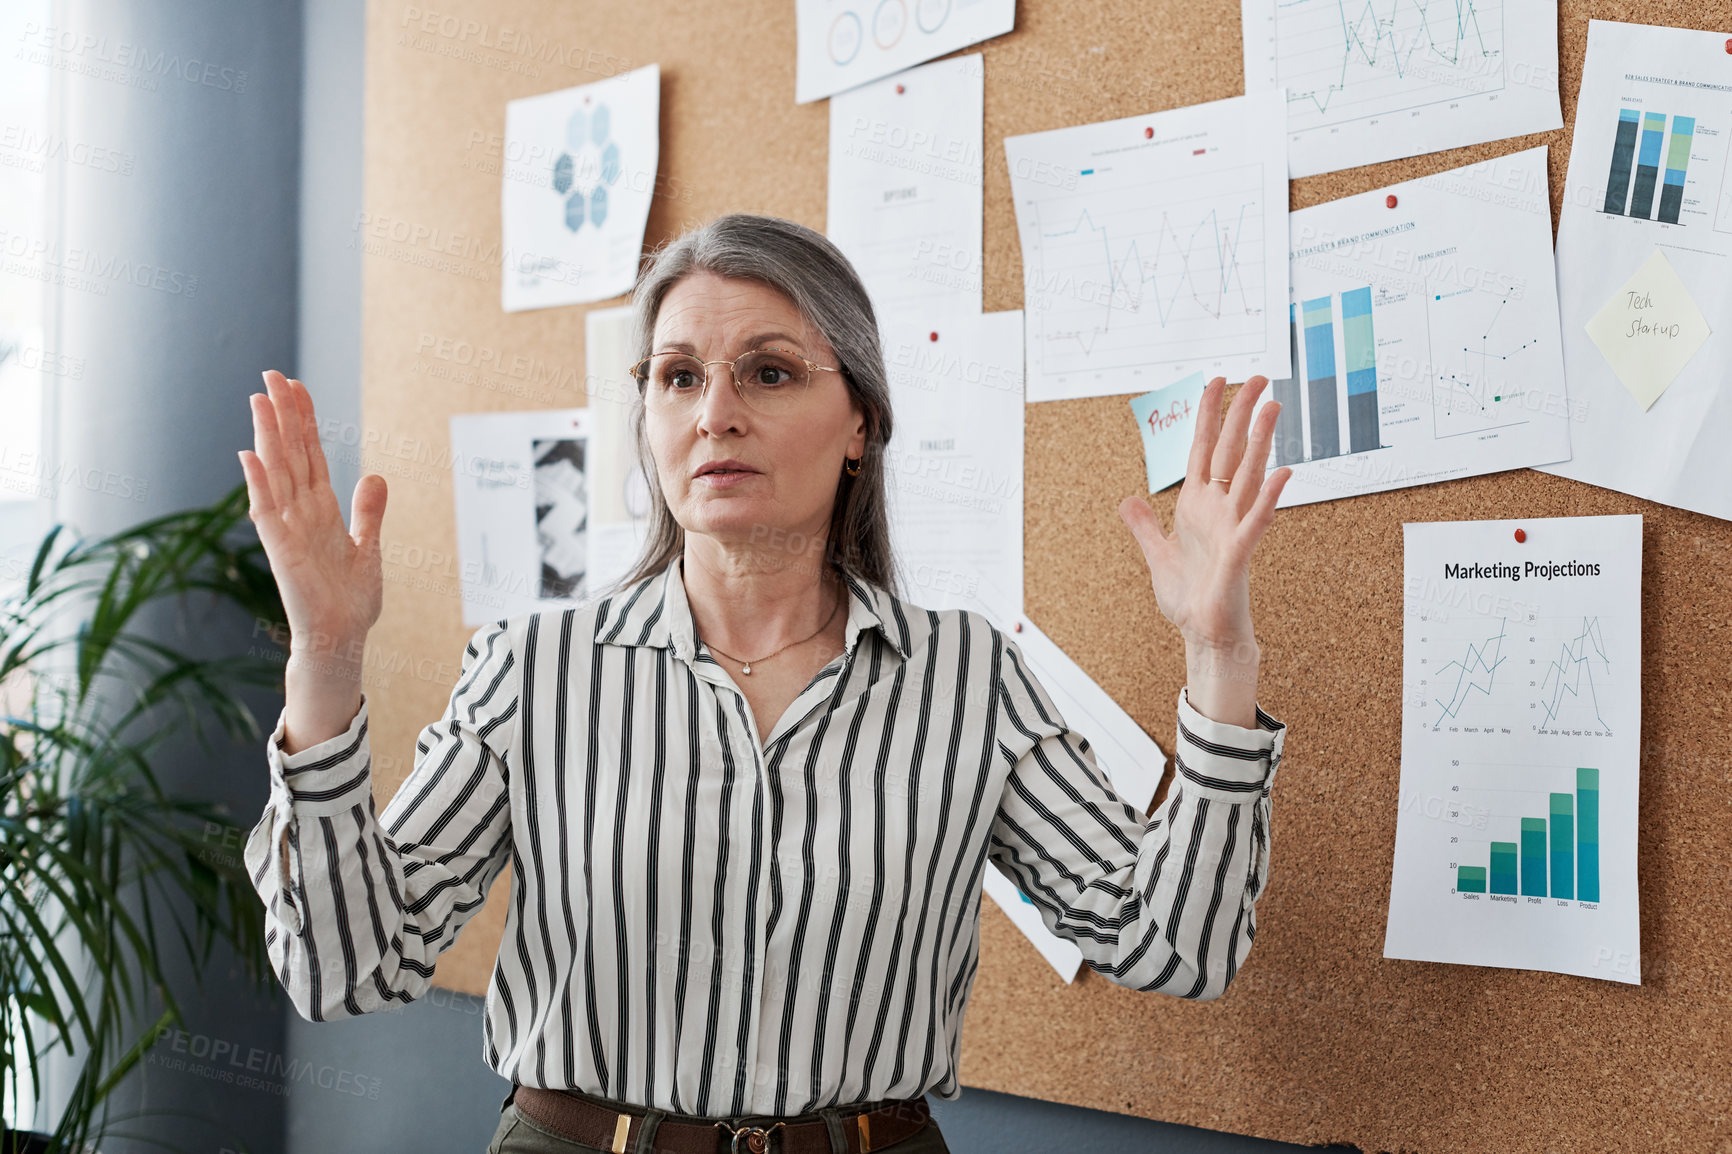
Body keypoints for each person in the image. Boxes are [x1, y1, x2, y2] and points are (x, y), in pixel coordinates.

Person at [238, 213, 1290, 1154]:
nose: (714, 413)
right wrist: (324, 662)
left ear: (860, 423)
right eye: (677, 375)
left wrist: (1217, 656)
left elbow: (1177, 943)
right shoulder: (532, 671)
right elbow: (345, 967)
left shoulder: (968, 676)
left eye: (769, 372)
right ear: (648, 415)